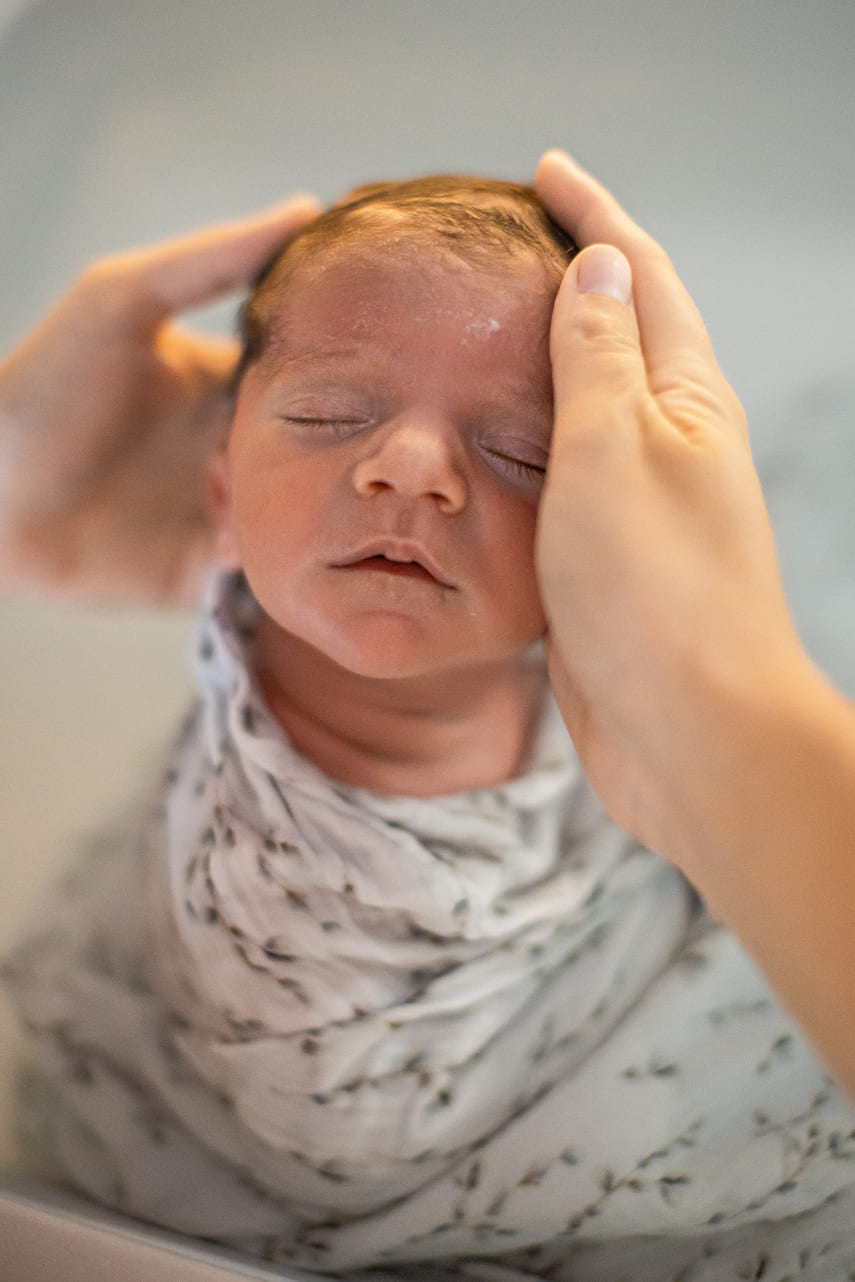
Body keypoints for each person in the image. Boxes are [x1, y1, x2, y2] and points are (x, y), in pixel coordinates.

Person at [1, 161, 855, 1281]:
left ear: (601, 531)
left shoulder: (640, 678)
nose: (410, 466)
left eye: (523, 455)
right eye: (327, 414)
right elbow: (334, 1123)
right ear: (219, 488)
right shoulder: (261, 881)